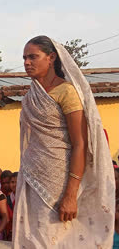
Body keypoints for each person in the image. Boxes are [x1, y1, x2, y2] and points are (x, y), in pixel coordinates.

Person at [12, 35, 115, 248]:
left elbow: (80, 143)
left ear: (50, 58)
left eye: (33, 57)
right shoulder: (31, 95)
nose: (26, 63)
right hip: (31, 177)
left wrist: (70, 194)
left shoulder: (67, 91)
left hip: (60, 182)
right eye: (24, 58)